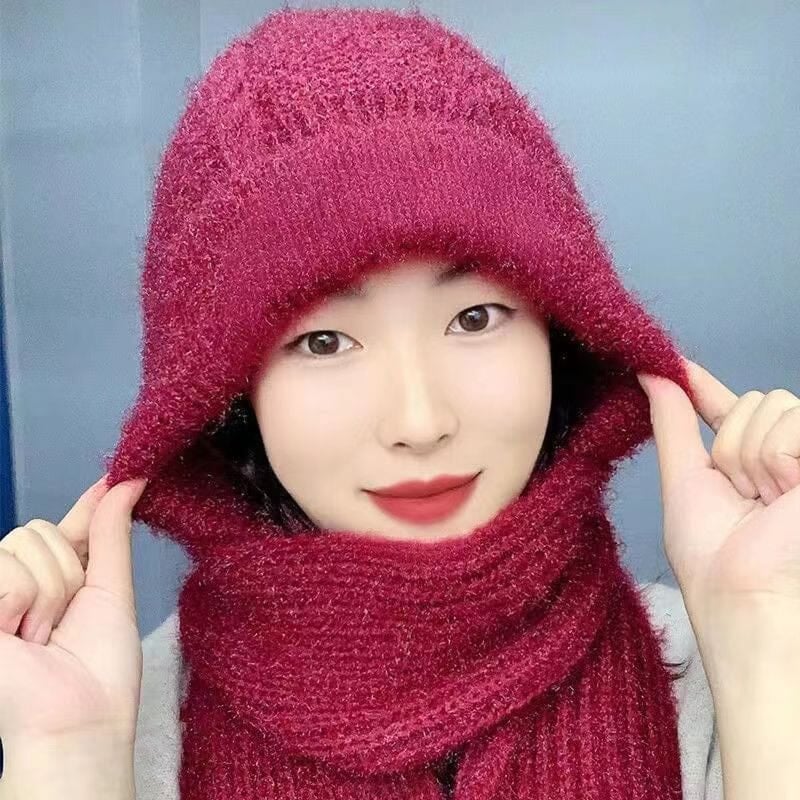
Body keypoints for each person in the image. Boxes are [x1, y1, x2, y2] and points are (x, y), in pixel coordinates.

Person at [1, 7, 799, 800]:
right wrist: (67, 760)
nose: (420, 423)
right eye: (323, 341)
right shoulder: (127, 720)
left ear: (564, 334)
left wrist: (767, 644)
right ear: (226, 394)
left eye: (475, 318)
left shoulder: (719, 658)